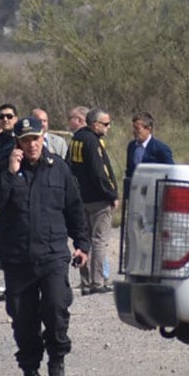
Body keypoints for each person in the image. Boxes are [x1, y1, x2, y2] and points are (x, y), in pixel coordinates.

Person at [0, 115, 89, 376]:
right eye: (25, 140)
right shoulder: (5, 169)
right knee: (23, 319)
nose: (31, 145)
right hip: (18, 257)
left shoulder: (59, 169)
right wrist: (10, 172)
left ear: (43, 137)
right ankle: (30, 373)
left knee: (56, 309)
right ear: (17, 143)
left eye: (35, 138)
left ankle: (57, 361)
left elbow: (74, 208)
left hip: (53, 254)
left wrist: (82, 243)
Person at [68, 107, 117, 295]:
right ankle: (97, 282)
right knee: (99, 240)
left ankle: (86, 281)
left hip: (81, 198)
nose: (108, 127)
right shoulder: (92, 141)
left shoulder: (76, 139)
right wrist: (111, 194)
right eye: (105, 124)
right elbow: (100, 171)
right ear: (95, 124)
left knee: (84, 240)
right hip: (98, 199)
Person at [124, 111, 175, 191]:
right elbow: (129, 172)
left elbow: (171, 173)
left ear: (148, 129)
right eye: (134, 128)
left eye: (137, 129)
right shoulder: (132, 146)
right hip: (135, 192)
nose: (134, 132)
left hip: (154, 192)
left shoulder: (161, 149)